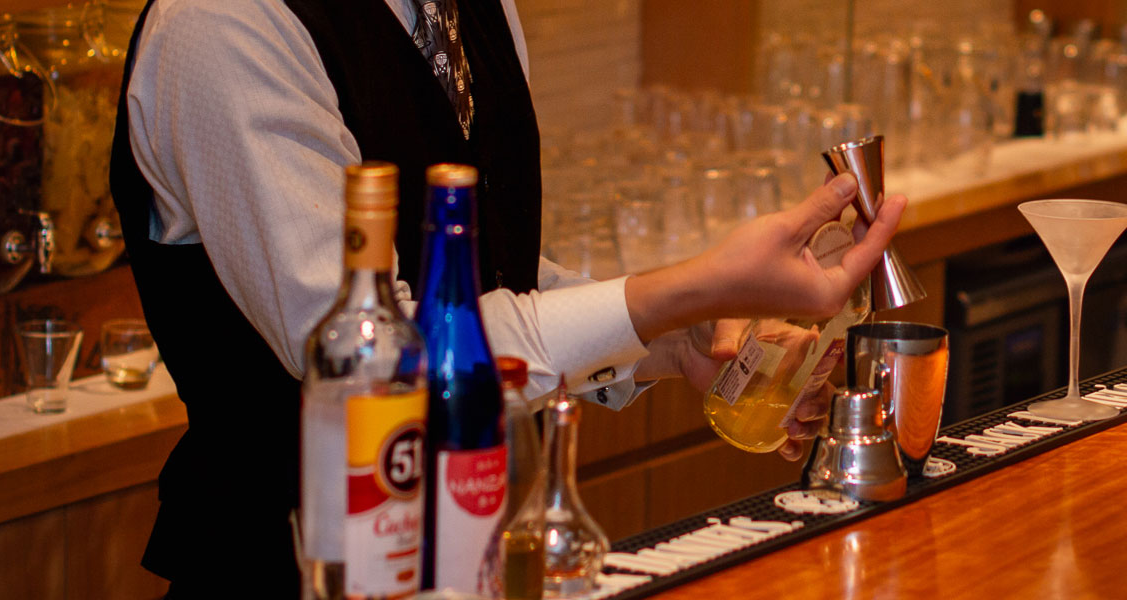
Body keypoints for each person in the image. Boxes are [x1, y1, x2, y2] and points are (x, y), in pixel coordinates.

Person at [108, 0, 911, 595]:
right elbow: (384, 360)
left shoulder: (470, 13)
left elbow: (489, 285)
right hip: (283, 570)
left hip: (477, 561)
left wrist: (672, 338)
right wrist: (687, 287)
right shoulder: (224, 24)